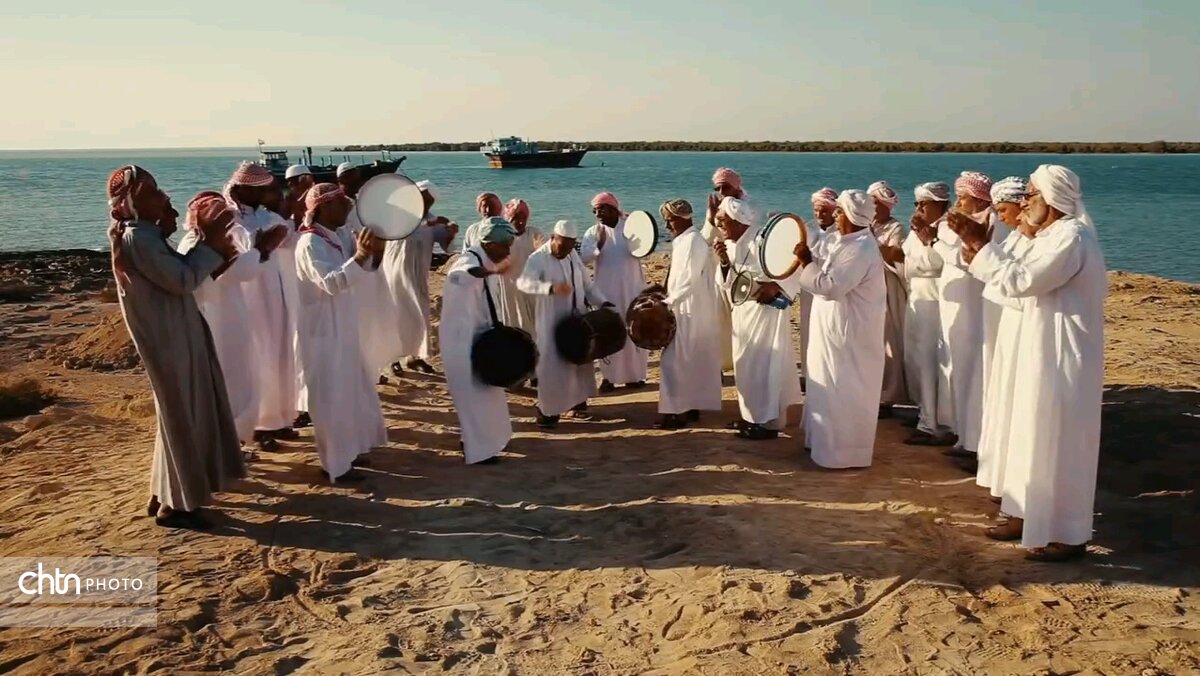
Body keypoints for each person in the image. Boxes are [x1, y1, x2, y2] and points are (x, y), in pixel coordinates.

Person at [956, 164, 1105, 562]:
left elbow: (1022, 281)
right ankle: (1024, 513)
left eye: (1032, 195)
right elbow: (1012, 285)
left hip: (1062, 353)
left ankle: (1067, 534)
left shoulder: (1071, 237)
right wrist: (978, 251)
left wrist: (980, 246)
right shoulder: (1048, 236)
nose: (1025, 202)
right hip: (1038, 348)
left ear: (1052, 199)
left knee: (1058, 441)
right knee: (1028, 433)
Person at [107, 166, 244, 530]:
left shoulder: (145, 236)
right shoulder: (139, 238)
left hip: (175, 335)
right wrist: (210, 244)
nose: (164, 197)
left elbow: (181, 275)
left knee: (177, 418)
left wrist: (211, 252)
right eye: (153, 193)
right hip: (167, 341)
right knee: (182, 417)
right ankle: (178, 507)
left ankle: (163, 493)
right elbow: (182, 279)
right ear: (133, 202)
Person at [294, 183, 389, 483]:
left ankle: (351, 451)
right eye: (340, 203)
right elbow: (333, 283)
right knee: (330, 399)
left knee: (351, 391)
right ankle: (334, 464)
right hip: (322, 332)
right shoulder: (310, 243)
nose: (348, 207)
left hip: (344, 326)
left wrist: (376, 253)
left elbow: (363, 271)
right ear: (323, 208)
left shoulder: (338, 235)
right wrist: (361, 254)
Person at [177, 192, 285, 449]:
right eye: (223, 220)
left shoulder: (203, 243)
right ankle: (229, 444)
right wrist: (261, 249)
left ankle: (234, 442)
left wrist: (255, 250)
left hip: (228, 320)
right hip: (218, 325)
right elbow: (243, 270)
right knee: (231, 385)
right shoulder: (199, 246)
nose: (230, 225)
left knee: (238, 383)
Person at [793, 190, 887, 468]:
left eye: (839, 212)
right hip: (832, 333)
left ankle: (842, 455)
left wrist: (806, 262)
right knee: (825, 385)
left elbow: (831, 287)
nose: (835, 216)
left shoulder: (861, 248)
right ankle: (821, 444)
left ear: (851, 216)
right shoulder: (845, 242)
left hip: (849, 337)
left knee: (843, 389)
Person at [224, 162, 302, 451]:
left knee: (279, 355)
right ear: (241, 190)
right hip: (249, 297)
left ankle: (277, 420)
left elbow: (290, 239)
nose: (266, 195)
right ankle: (256, 426)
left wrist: (292, 219)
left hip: (275, 295)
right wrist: (264, 242)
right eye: (261, 190)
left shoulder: (265, 215)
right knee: (258, 360)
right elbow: (241, 250)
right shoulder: (228, 217)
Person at [715, 197, 802, 440]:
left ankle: (765, 423)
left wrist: (777, 286)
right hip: (743, 313)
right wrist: (724, 262)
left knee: (764, 367)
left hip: (765, 314)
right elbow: (728, 284)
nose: (718, 225)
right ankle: (751, 417)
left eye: (722, 220)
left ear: (738, 221)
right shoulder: (731, 244)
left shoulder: (762, 240)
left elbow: (794, 265)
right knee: (745, 366)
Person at [971, 177, 1032, 499]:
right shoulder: (1014, 240)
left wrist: (978, 247)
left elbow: (1017, 283)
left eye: (1004, 209)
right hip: (1002, 325)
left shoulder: (1032, 242)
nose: (1002, 217)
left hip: (1019, 329)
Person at [930, 171, 995, 471]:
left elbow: (965, 259)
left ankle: (974, 441)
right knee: (955, 368)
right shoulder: (965, 222)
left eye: (963, 197)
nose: (957, 203)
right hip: (954, 303)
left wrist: (933, 241)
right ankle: (961, 433)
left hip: (972, 305)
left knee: (971, 371)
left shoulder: (987, 224)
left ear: (979, 199)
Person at [516, 219, 610, 429]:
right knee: (551, 365)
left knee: (579, 360)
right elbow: (524, 283)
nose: (566, 251)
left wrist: (603, 302)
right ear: (553, 238)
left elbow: (587, 285)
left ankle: (577, 404)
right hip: (552, 321)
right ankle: (548, 412)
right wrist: (549, 288)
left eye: (570, 246)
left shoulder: (572, 255)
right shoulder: (537, 259)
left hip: (577, 319)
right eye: (562, 245)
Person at [441, 217, 518, 464]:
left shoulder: (485, 260)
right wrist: (491, 271)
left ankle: (486, 444)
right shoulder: (470, 260)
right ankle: (476, 450)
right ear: (489, 244)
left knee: (488, 395)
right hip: (462, 342)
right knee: (472, 398)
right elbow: (460, 275)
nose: (508, 252)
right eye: (505, 247)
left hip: (481, 339)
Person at [656, 199, 723, 429]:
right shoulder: (685, 239)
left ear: (684, 218)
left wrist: (668, 302)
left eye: (670, 220)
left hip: (689, 308)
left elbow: (689, 279)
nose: (667, 225)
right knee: (688, 359)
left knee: (673, 361)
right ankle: (689, 407)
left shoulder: (693, 241)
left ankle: (675, 412)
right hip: (685, 307)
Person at [902, 183, 956, 446]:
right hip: (916, 297)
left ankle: (933, 424)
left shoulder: (946, 228)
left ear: (940, 204)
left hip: (934, 302)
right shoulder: (920, 228)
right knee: (915, 359)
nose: (919, 208)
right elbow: (906, 256)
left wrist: (925, 245)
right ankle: (924, 413)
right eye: (917, 203)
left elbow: (936, 263)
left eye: (925, 203)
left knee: (929, 362)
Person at [384, 179, 455, 376]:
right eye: (423, 198)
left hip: (417, 275)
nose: (425, 204)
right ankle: (392, 359)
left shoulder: (432, 221)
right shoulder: (398, 214)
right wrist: (433, 222)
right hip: (394, 274)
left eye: (429, 201)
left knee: (418, 316)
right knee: (395, 315)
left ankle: (414, 357)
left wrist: (450, 233)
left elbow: (447, 245)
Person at [580, 192, 648, 391]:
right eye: (595, 211)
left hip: (632, 287)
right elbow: (584, 258)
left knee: (634, 329)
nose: (598, 214)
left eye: (602, 209)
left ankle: (635, 376)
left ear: (613, 209)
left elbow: (645, 247)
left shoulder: (630, 227)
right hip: (606, 291)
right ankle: (609, 378)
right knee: (608, 331)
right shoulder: (593, 232)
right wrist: (599, 245)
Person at [867, 180, 909, 416]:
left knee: (887, 340)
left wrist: (870, 239)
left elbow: (895, 257)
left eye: (876, 203)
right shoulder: (867, 225)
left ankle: (888, 396)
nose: (873, 208)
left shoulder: (896, 228)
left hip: (886, 288)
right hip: (866, 287)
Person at [798, 187, 839, 375]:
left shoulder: (841, 233)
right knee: (808, 325)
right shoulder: (808, 229)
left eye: (824, 211)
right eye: (816, 210)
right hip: (809, 287)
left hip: (830, 287)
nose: (819, 215)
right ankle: (808, 373)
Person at [496, 198, 544, 341]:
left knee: (535, 323)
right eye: (517, 218)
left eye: (524, 218)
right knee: (512, 321)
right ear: (509, 218)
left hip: (531, 288)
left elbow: (547, 252)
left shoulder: (534, 233)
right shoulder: (501, 237)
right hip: (509, 288)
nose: (521, 222)